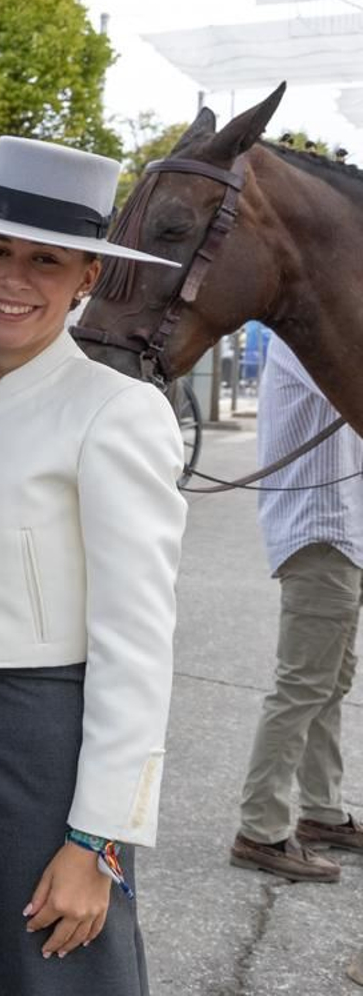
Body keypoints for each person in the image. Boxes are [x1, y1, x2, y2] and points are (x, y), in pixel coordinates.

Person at [0, 136, 188, 995]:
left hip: (39, 746)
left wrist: (96, 838)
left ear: (87, 276)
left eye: (45, 260)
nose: (13, 279)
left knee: (45, 966)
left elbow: (136, 641)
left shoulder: (117, 411)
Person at [229, 334, 362, 881]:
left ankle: (322, 813)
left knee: (329, 683)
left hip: (345, 531)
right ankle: (259, 830)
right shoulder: (310, 337)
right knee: (303, 685)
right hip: (320, 529)